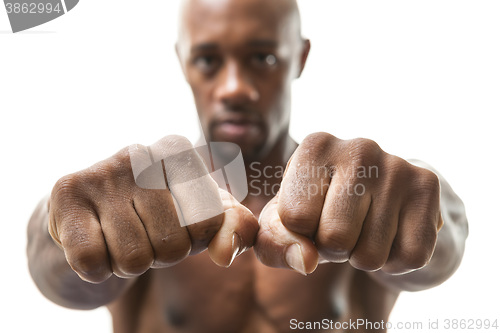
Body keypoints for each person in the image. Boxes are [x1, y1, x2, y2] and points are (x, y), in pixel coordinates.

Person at [27, 0, 469, 332]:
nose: (235, 87)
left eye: (263, 57)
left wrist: (417, 200)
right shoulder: (143, 199)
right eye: (207, 60)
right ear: (182, 62)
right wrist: (69, 220)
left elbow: (442, 231)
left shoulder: (356, 194)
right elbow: (58, 271)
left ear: (300, 57)